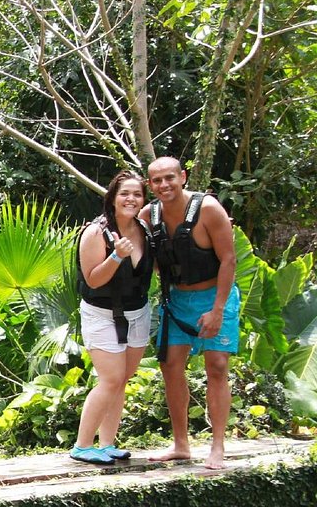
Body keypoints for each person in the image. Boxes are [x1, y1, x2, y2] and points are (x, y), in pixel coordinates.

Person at [141, 156, 240, 469]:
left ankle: (218, 446)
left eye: (169, 178)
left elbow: (229, 260)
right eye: (156, 181)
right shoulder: (148, 215)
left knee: (217, 366)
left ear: (182, 177)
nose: (164, 185)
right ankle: (181, 445)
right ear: (149, 185)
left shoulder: (208, 209)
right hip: (176, 300)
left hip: (214, 296)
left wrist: (218, 310)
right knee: (170, 367)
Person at [69, 169, 155, 465]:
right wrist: (116, 256)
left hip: (137, 313)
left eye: (137, 194)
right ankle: (82, 445)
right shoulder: (96, 232)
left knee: (122, 380)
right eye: (124, 194)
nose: (131, 199)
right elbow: (93, 280)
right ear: (113, 197)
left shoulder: (145, 229)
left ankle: (107, 443)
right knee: (111, 378)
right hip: (101, 314)